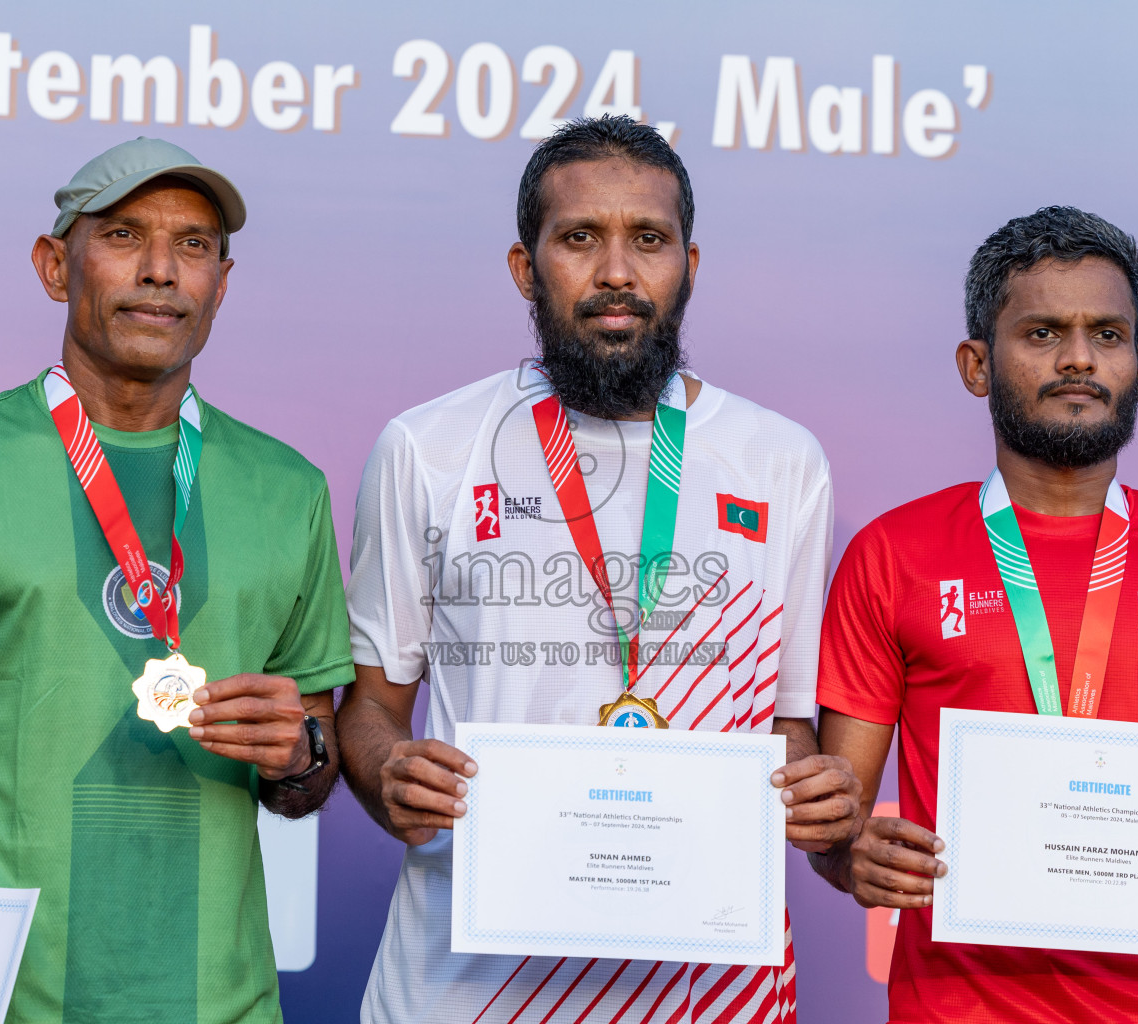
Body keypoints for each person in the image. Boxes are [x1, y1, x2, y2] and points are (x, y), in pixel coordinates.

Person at [0, 138, 353, 1023]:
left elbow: (313, 758)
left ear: (223, 281)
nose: (160, 272)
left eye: (194, 245)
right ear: (55, 266)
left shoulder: (289, 490)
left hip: (225, 1003)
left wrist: (301, 756)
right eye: (125, 235)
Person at [337, 115, 861, 1023]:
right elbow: (372, 709)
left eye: (648, 240)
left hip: (710, 993)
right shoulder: (429, 447)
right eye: (579, 238)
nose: (617, 271)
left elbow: (788, 730)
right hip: (462, 989)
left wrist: (817, 794)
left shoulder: (782, 461)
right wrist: (389, 776)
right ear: (524, 267)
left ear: (690, 266)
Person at [813, 206, 1138, 1022]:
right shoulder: (893, 554)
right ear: (977, 364)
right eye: (1044, 333)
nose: (1081, 358)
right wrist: (852, 857)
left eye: (1108, 334)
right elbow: (839, 820)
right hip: (954, 1008)